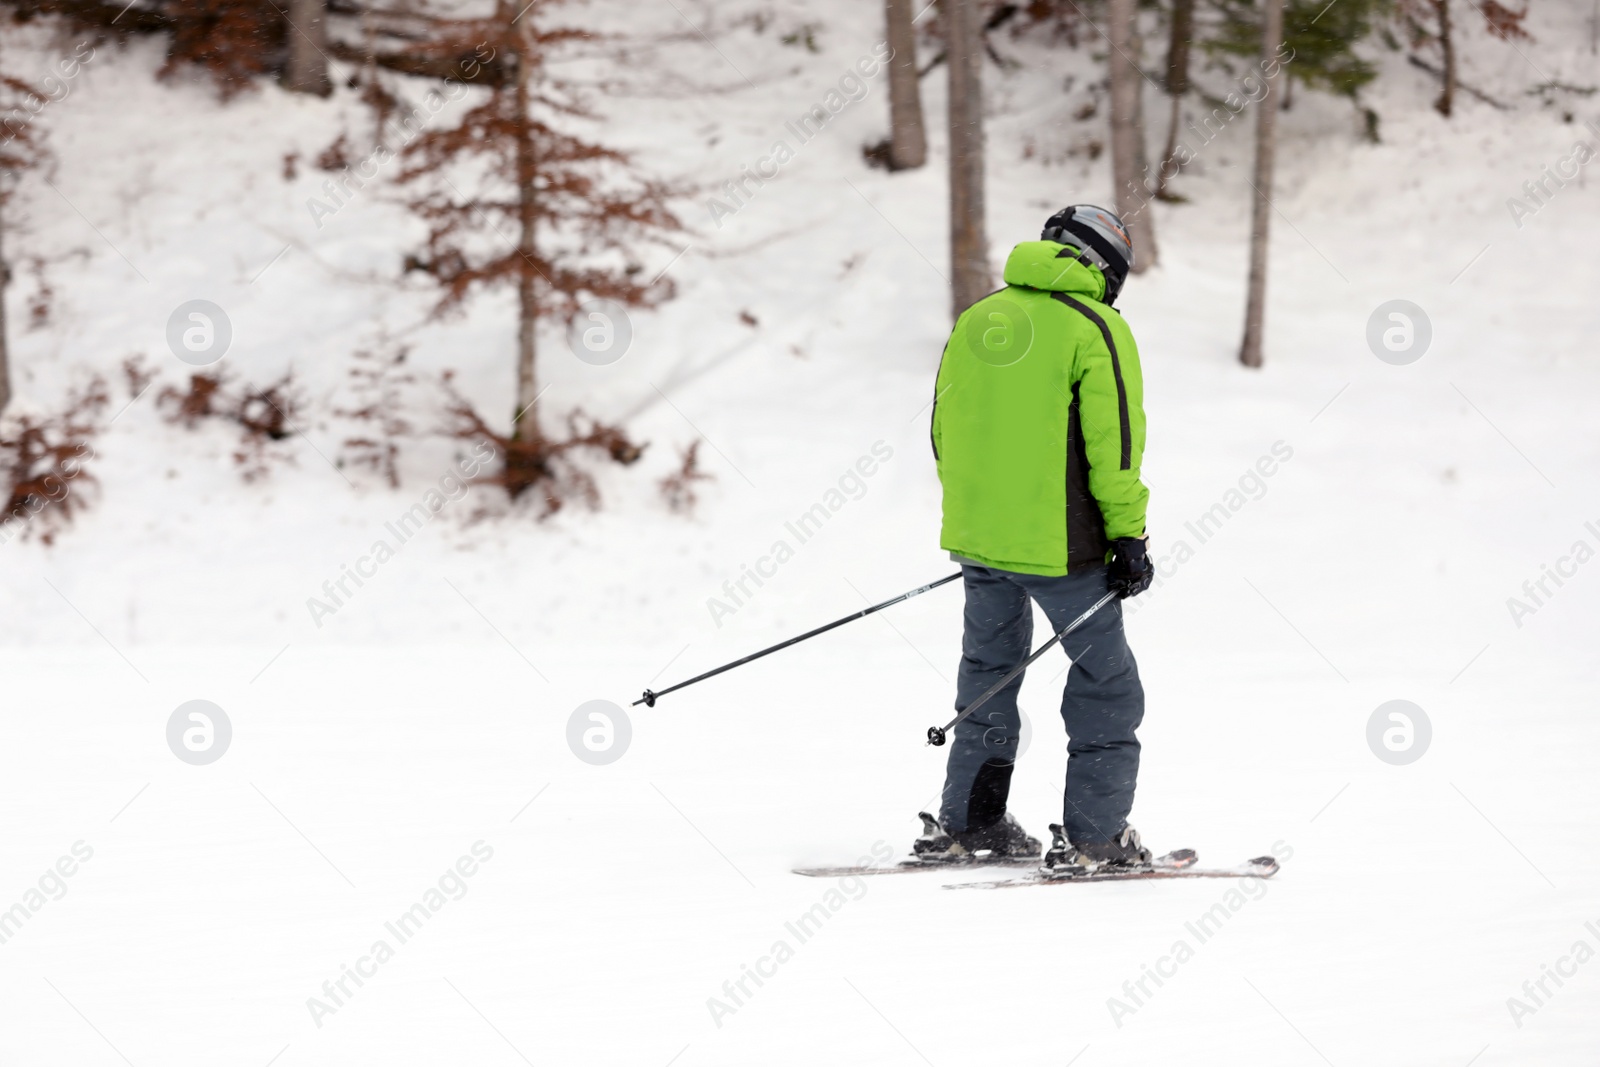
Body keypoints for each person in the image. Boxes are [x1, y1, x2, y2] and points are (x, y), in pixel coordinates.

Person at [913, 205, 1156, 872]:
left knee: (989, 678)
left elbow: (943, 431)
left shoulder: (979, 316)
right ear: (1102, 266)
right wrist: (1128, 537)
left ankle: (971, 823)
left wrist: (984, 519)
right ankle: (1095, 839)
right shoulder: (1096, 327)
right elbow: (1116, 451)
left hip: (981, 542)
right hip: (1065, 551)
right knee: (1108, 685)